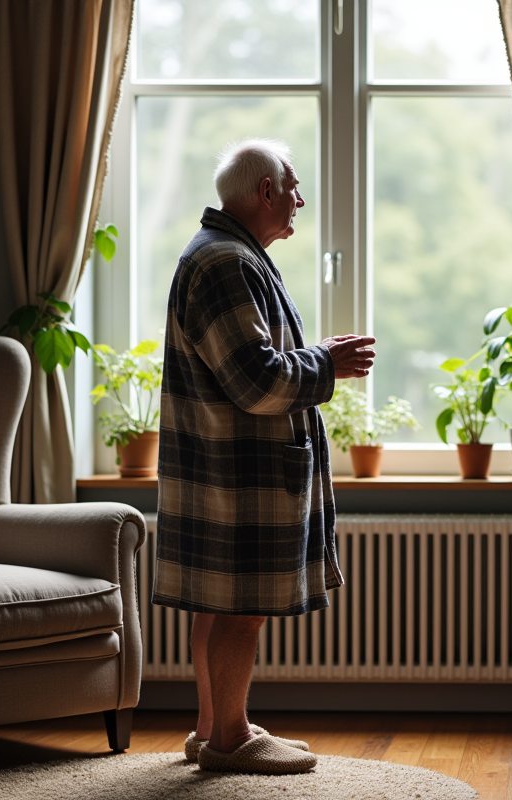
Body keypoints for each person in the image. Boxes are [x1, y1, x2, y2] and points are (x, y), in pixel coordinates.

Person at [153, 138, 375, 775]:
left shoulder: (223, 253)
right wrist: (326, 363)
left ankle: (213, 728)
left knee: (218, 601)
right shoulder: (227, 262)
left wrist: (317, 358)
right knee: (243, 608)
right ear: (266, 191)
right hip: (239, 472)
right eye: (294, 186)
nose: (300, 199)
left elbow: (248, 365)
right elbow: (257, 382)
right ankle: (231, 741)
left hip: (223, 467)